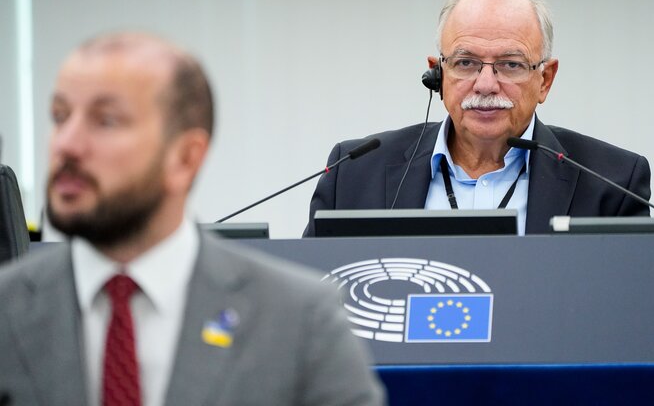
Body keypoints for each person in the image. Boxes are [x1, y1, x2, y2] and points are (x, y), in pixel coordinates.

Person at [0, 32, 384, 406]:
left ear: (185, 158)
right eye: (60, 116)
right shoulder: (8, 309)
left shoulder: (298, 322)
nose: (66, 143)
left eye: (106, 120)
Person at [304, 0, 650, 237]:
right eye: (466, 63)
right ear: (438, 74)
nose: (485, 85)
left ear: (545, 79)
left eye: (511, 64)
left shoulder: (611, 182)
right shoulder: (354, 172)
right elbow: (313, 306)